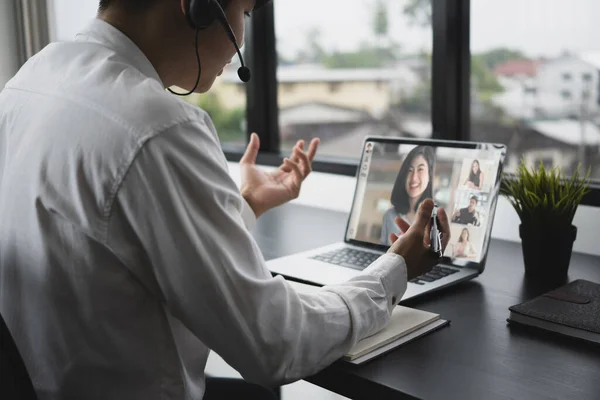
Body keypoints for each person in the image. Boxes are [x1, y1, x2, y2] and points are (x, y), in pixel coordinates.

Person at [0, 1, 452, 399]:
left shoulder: (32, 78)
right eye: (246, 12)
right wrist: (396, 270)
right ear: (198, 6)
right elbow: (275, 343)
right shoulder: (157, 126)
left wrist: (247, 202)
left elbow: (114, 236)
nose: (243, 34)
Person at [380, 145, 435, 245]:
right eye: (410, 170)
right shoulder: (390, 216)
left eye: (420, 169)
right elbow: (381, 251)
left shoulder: (435, 220)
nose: (414, 177)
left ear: (429, 175)